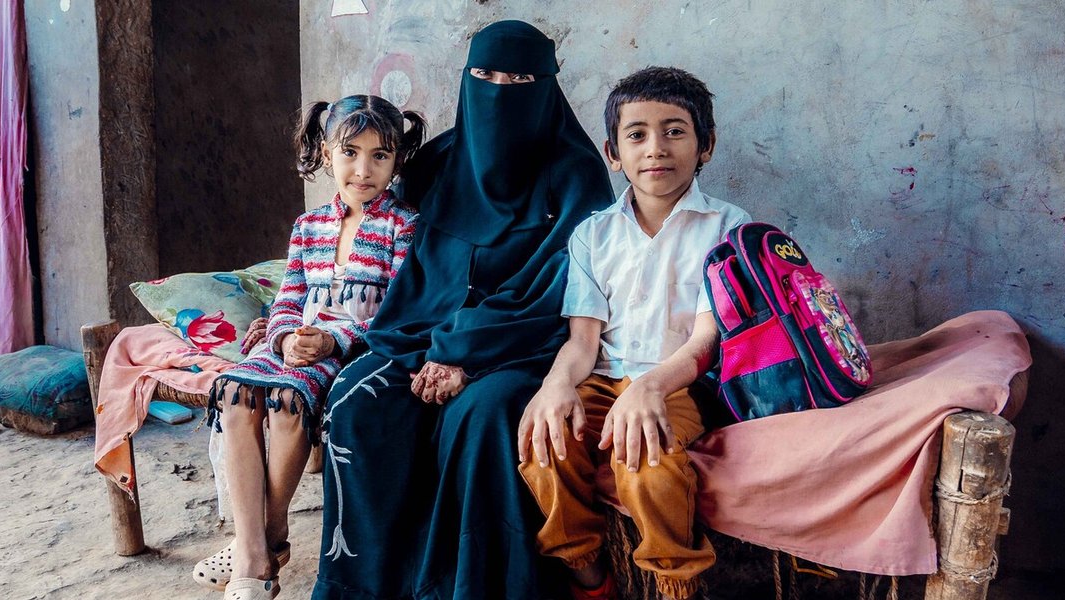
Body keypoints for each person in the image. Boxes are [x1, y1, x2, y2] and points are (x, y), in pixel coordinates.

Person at [311, 20, 610, 600]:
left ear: (547, 86)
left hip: (521, 347)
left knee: (485, 415)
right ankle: (365, 588)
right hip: (420, 334)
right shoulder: (439, 162)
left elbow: (559, 290)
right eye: (485, 75)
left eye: (520, 77)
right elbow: (384, 242)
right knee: (357, 402)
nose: (500, 89)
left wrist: (463, 353)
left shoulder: (575, 177)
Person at [516, 66, 749, 600]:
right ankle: (587, 572)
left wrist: (649, 389)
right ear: (613, 152)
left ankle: (674, 582)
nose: (655, 149)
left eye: (674, 131)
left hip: (678, 383)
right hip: (601, 379)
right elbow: (582, 342)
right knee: (544, 444)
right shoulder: (592, 234)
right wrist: (555, 388)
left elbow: (705, 341)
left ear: (705, 145)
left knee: (647, 462)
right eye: (637, 135)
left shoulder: (728, 227)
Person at [196, 95, 423, 600]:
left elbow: (396, 313)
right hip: (293, 344)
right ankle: (259, 547)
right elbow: (288, 298)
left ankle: (257, 552)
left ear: (397, 160)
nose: (363, 169)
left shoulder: (403, 226)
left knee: (285, 403)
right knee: (234, 392)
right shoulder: (309, 227)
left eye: (380, 155)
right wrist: (281, 337)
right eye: (349, 152)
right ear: (325, 153)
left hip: (349, 350)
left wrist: (332, 339)